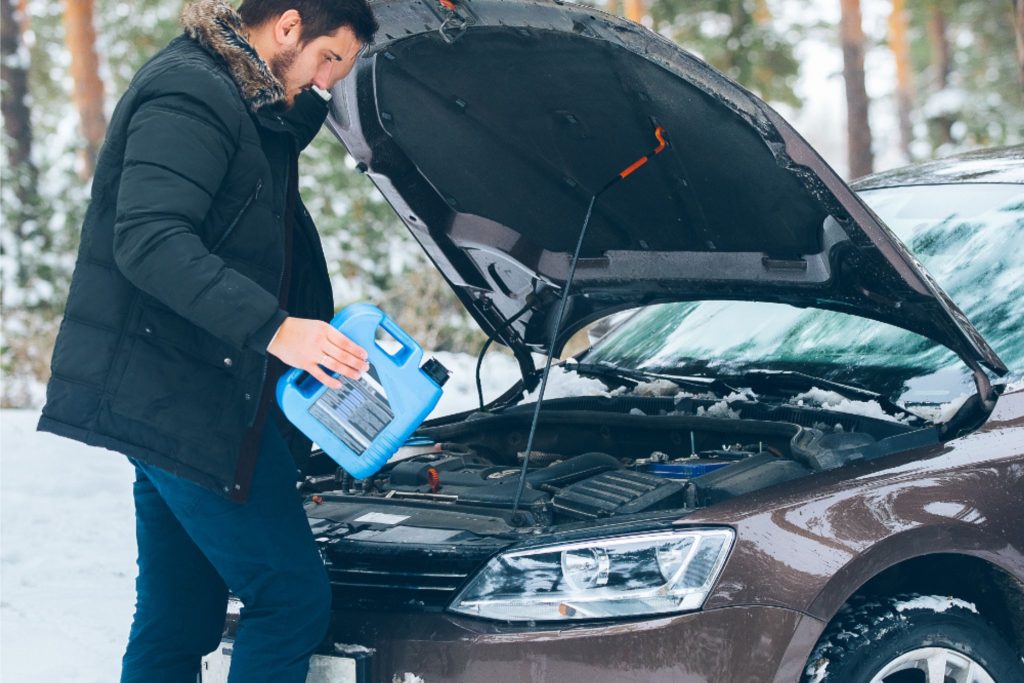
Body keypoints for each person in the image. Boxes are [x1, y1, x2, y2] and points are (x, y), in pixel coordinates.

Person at [35, 0, 378, 680]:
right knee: (289, 599)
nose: (331, 79)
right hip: (191, 402)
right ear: (286, 27)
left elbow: (267, 141)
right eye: (329, 57)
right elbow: (151, 241)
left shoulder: (240, 95)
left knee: (179, 614)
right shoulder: (190, 91)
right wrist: (278, 329)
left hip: (181, 399)